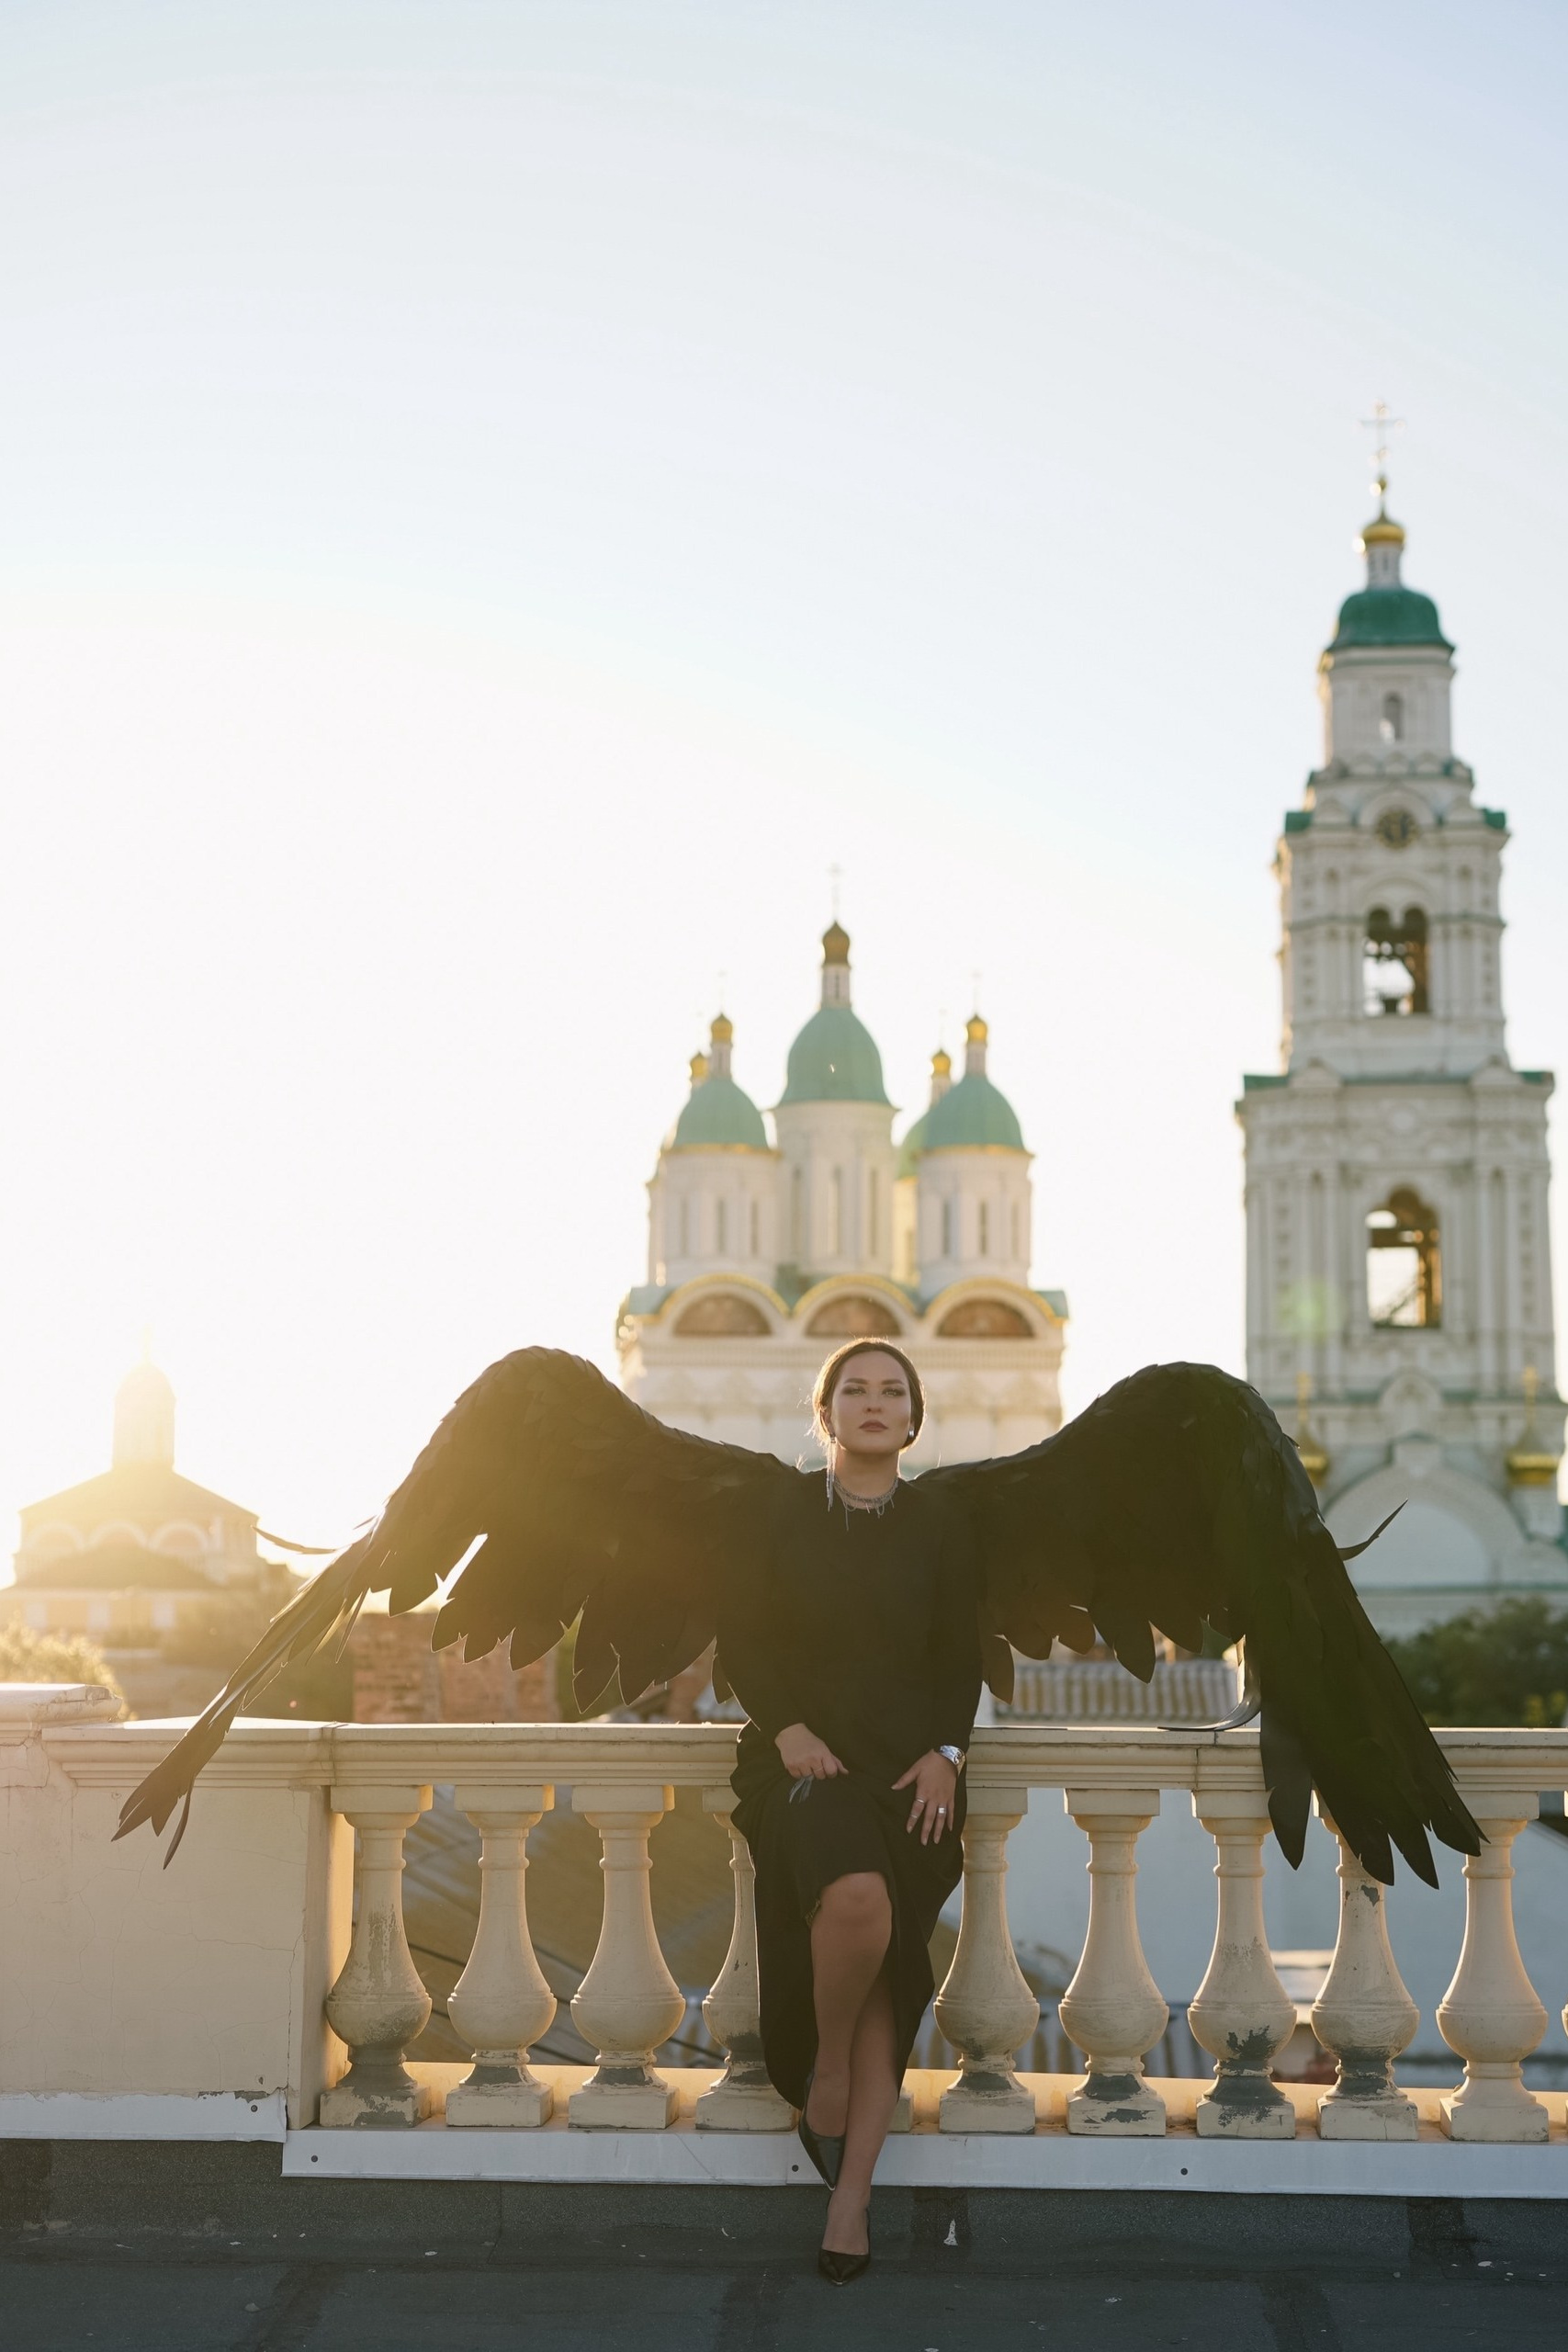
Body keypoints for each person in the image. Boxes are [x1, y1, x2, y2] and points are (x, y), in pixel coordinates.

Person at [721, 1339, 981, 2285]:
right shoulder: (780, 1511)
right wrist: (786, 1727)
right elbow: (742, 1635)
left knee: (889, 1977)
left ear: (912, 1417)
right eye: (855, 1390)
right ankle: (825, 2066)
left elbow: (958, 1655)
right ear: (825, 1411)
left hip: (912, 1771)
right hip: (805, 1763)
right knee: (859, 1901)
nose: (874, 1403)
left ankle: (850, 2200)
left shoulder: (940, 1522)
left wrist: (948, 1754)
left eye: (892, 1391)